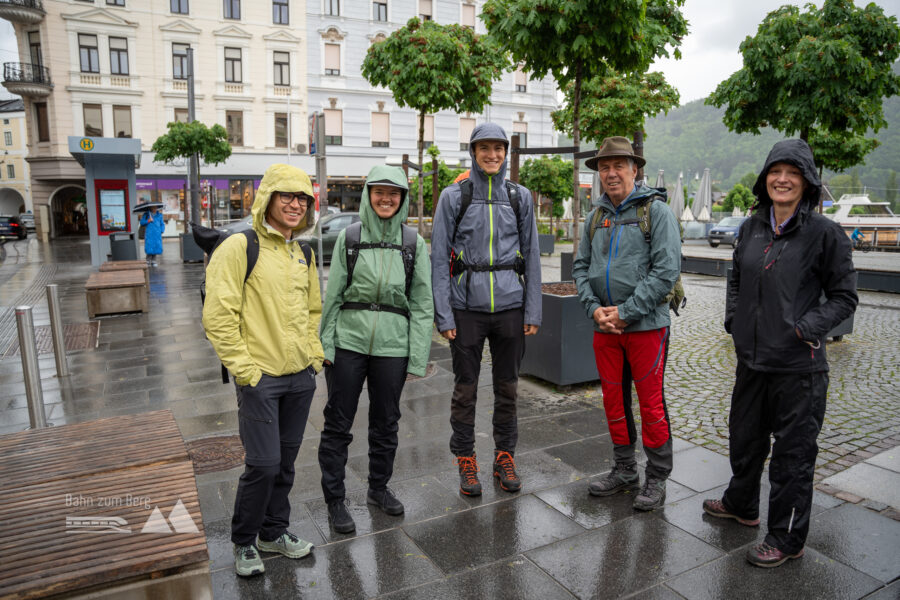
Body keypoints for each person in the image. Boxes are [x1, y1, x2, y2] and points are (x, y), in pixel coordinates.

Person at [704, 139, 857, 568]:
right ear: (765, 178)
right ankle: (742, 503)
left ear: (807, 182)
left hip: (798, 367)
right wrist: (734, 319)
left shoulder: (825, 234)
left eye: (793, 173)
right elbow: (736, 278)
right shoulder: (752, 227)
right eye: (776, 171)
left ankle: (787, 537)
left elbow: (844, 298)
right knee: (744, 439)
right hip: (752, 360)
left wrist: (805, 328)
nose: (783, 179)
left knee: (792, 457)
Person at [202, 164, 323, 577]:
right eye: (286, 196)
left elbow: (312, 311)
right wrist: (246, 371)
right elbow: (219, 316)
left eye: (303, 198)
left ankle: (274, 532)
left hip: (299, 377)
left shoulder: (302, 251)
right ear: (267, 198)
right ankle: (243, 540)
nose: (295, 204)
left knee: (286, 464)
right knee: (264, 465)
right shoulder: (240, 246)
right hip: (261, 378)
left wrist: (314, 356)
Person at [317, 165, 433, 534]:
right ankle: (335, 501)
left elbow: (422, 303)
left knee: (386, 423)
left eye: (394, 193)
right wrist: (325, 346)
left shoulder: (414, 243)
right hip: (348, 343)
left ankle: (378, 489)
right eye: (379, 191)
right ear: (368, 193)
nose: (386, 198)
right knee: (338, 423)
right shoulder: (350, 238)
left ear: (402, 199)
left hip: (393, 346)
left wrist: (417, 357)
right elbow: (332, 295)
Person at [431, 123, 541, 496]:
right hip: (466, 310)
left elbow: (533, 254)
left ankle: (504, 457)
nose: (492, 155)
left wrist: (533, 310)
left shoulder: (519, 196)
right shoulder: (454, 197)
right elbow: (438, 258)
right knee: (465, 391)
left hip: (511, 306)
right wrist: (444, 315)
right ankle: (466, 460)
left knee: (508, 389)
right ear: (473, 152)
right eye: (484, 148)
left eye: (498, 148)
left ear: (505, 152)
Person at [572, 136, 681, 511]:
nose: (611, 172)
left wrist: (625, 311)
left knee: (651, 404)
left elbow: (666, 271)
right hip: (606, 328)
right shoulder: (596, 217)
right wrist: (594, 310)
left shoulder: (657, 212)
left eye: (620, 165)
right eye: (605, 167)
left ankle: (656, 476)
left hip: (646, 326)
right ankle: (624, 470)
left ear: (636, 170)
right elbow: (581, 268)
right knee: (613, 400)